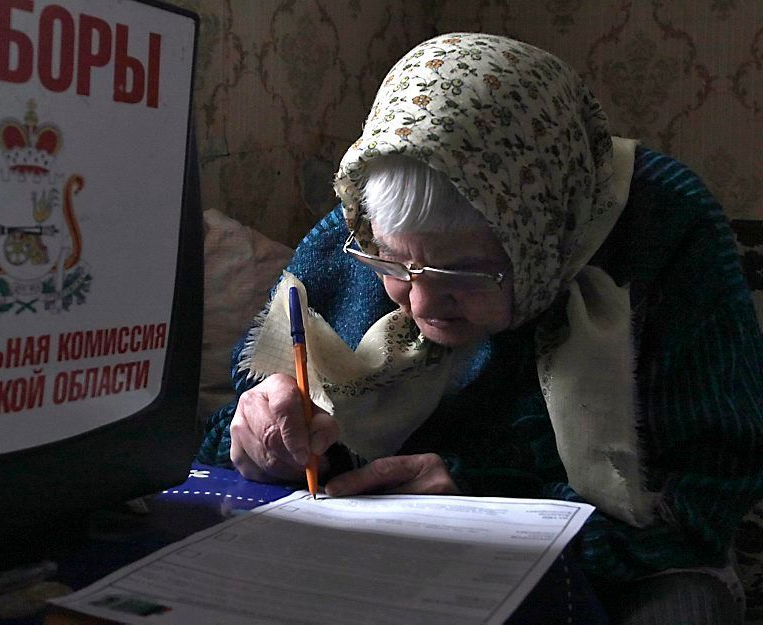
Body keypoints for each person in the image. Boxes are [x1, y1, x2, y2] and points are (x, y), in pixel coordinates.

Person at [197, 33, 763, 624]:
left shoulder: (665, 225)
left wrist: (493, 505)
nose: (420, 303)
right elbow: (222, 442)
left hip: (613, 557)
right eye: (395, 265)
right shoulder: (360, 227)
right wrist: (261, 433)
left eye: (463, 272)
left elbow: (708, 496)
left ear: (542, 240)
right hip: (385, 551)